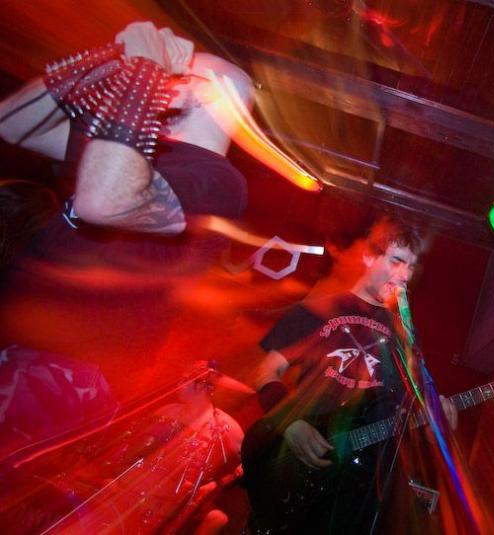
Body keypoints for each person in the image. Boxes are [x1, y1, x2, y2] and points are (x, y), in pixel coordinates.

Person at [0, 22, 254, 398]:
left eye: (179, 69)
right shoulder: (132, 145)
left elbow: (104, 203)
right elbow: (12, 125)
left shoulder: (220, 182)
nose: (167, 74)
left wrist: (147, 69)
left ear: (208, 91)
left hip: (71, 376)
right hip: (23, 346)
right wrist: (103, 61)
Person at [241, 217, 458, 534]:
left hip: (359, 484)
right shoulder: (317, 310)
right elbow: (266, 371)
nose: (404, 274)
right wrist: (289, 422)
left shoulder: (405, 338)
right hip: (307, 458)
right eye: (396, 260)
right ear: (369, 257)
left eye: (411, 267)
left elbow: (405, 416)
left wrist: (434, 417)